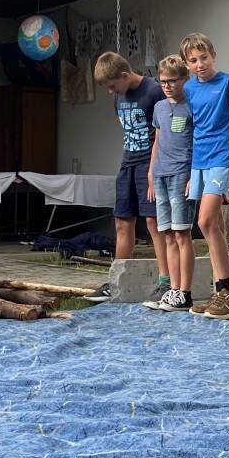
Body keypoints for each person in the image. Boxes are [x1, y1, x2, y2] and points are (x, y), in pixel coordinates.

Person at [87, 52, 167, 304]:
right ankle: (116, 282)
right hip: (128, 162)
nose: (110, 91)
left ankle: (166, 282)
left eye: (112, 85)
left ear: (124, 75)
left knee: (154, 222)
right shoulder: (118, 97)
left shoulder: (154, 91)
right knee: (122, 221)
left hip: (150, 164)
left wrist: (156, 169)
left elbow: (165, 131)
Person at [182, 32, 229, 320]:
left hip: (223, 155)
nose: (200, 64)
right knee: (215, 225)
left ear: (213, 55)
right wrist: (190, 172)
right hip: (200, 160)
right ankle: (222, 292)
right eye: (193, 60)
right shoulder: (188, 88)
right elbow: (192, 127)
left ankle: (227, 293)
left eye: (204, 57)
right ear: (187, 64)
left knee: (205, 221)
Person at [144, 55, 196, 312]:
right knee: (166, 233)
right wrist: (151, 173)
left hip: (181, 173)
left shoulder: (192, 105)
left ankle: (185, 292)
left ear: (184, 79)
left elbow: (198, 141)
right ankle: (173, 290)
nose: (166, 86)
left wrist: (193, 175)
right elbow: (157, 140)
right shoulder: (159, 107)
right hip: (161, 174)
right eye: (162, 81)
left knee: (181, 232)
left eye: (172, 81)